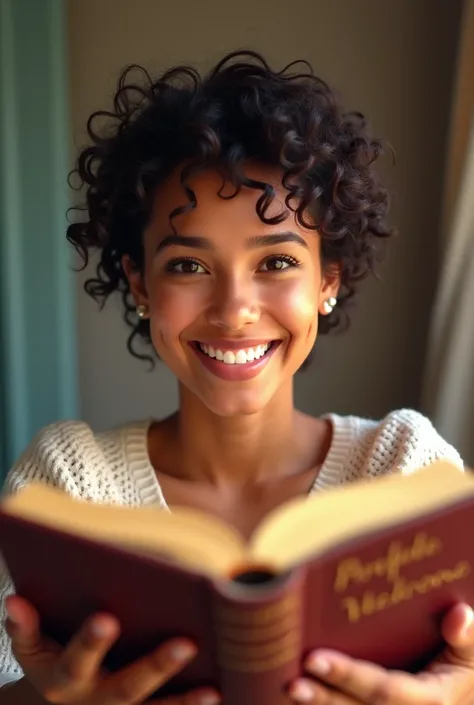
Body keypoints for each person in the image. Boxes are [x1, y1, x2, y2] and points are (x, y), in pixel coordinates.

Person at [0, 50, 471, 705]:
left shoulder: (406, 468)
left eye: (276, 260)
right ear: (139, 283)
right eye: (188, 267)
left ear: (327, 279)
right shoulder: (70, 486)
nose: (234, 311)